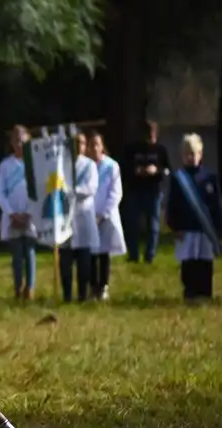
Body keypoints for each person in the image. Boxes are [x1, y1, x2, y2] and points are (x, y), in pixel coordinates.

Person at [166, 133, 222, 301]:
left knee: (205, 262)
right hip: (186, 229)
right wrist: (174, 226)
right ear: (182, 156)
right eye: (188, 154)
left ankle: (205, 292)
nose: (191, 157)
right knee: (189, 262)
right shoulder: (178, 179)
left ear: (201, 154)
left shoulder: (209, 177)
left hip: (205, 229)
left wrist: (219, 226)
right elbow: (173, 204)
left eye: (194, 153)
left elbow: (216, 204)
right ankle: (190, 292)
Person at [0, 125, 37, 299]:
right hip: (12, 217)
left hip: (31, 216)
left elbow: (39, 190)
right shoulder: (5, 165)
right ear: (11, 142)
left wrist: (28, 213)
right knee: (17, 255)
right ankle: (18, 287)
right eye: (16, 141)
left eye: (23, 141)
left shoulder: (35, 163)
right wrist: (11, 213)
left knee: (30, 252)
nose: (19, 144)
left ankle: (30, 287)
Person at [123, 119, 171, 263]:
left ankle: (150, 255)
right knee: (133, 225)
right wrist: (135, 171)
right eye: (148, 134)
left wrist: (157, 170)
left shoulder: (161, 150)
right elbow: (124, 168)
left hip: (154, 191)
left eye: (153, 134)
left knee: (153, 225)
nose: (150, 137)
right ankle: (133, 254)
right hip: (135, 190)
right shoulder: (133, 149)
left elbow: (168, 170)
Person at [86, 131, 126, 300]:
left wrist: (103, 215)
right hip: (88, 216)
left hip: (106, 217)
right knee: (91, 254)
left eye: (97, 144)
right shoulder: (84, 166)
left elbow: (116, 193)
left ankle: (103, 286)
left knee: (104, 253)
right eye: (91, 145)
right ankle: (92, 287)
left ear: (102, 146)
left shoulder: (111, 166)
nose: (94, 148)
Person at [60, 133, 99, 302]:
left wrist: (71, 192)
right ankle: (67, 295)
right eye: (74, 143)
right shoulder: (62, 165)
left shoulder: (89, 165)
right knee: (65, 261)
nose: (78, 146)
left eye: (81, 143)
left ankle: (83, 294)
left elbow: (90, 188)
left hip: (83, 215)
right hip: (65, 217)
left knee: (84, 262)